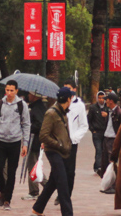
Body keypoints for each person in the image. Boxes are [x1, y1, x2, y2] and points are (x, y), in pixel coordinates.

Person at [0, 79, 30, 210]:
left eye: (11, 90)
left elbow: (26, 125)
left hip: (15, 142)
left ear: (16, 90)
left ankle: (7, 200)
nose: (9, 93)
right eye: (7, 90)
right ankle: (3, 191)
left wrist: (25, 143)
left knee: (11, 172)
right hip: (0, 141)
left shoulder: (22, 105)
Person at [33, 87, 75, 216]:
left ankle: (38, 208)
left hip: (63, 152)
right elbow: (43, 136)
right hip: (53, 151)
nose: (72, 99)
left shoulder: (63, 112)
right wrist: (59, 145)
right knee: (62, 184)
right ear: (68, 99)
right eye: (71, 97)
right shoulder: (51, 113)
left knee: (53, 182)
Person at [61, 80, 89, 200]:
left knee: (70, 171)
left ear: (74, 89)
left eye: (69, 88)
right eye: (65, 88)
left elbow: (84, 125)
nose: (67, 90)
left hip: (72, 142)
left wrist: (75, 137)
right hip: (60, 142)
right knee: (59, 169)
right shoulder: (60, 103)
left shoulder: (80, 105)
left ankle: (67, 195)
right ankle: (60, 193)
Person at [23, 90, 47, 200]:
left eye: (30, 94)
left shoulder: (37, 108)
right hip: (35, 140)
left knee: (32, 166)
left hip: (35, 141)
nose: (28, 95)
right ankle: (37, 189)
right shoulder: (36, 107)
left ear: (34, 95)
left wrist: (29, 127)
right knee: (33, 165)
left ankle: (36, 190)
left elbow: (40, 124)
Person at [102, 91, 121, 186]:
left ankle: (114, 184)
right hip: (106, 138)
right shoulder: (110, 112)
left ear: (111, 101)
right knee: (106, 162)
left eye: (106, 100)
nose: (105, 102)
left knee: (113, 162)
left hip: (113, 139)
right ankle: (109, 183)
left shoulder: (120, 113)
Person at [88, 91, 108, 176]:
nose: (101, 99)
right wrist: (93, 130)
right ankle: (98, 167)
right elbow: (89, 120)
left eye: (102, 98)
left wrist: (106, 115)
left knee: (104, 150)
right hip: (96, 133)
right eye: (99, 98)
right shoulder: (93, 108)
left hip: (105, 133)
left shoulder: (107, 108)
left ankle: (100, 166)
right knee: (99, 149)